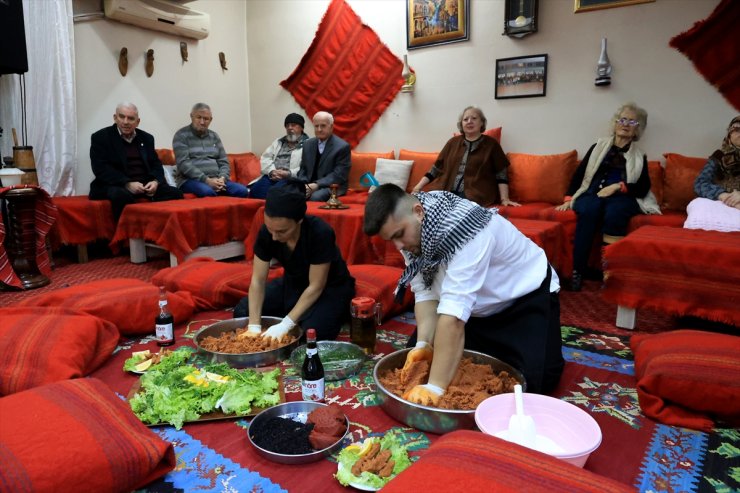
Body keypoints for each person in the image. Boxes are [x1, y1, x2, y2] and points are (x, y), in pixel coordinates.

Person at [363, 184, 563, 403]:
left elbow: (455, 316)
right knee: (419, 361)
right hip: (472, 307)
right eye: (391, 239)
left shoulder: (468, 232)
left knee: (535, 383)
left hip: (522, 299)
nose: (398, 245)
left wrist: (436, 388)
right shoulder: (414, 227)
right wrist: (424, 344)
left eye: (399, 235)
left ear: (419, 212)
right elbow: (425, 291)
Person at [555, 102, 660, 291]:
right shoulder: (598, 146)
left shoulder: (639, 156)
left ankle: (609, 274)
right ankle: (578, 271)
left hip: (621, 196)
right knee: (589, 209)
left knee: (615, 212)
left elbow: (643, 187)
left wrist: (617, 187)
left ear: (638, 129)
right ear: (615, 123)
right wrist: (569, 198)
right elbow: (580, 174)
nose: (626, 124)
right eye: (622, 119)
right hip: (592, 192)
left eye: (632, 122)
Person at [234, 180, 356, 341]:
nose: (275, 237)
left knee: (312, 333)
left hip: (329, 288)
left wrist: (286, 324)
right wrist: (254, 326)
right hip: (294, 283)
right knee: (243, 311)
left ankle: (317, 315)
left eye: (282, 231)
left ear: (299, 221)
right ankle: (294, 315)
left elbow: (316, 286)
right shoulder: (268, 233)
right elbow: (257, 280)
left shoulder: (320, 232)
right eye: (270, 229)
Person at [89, 102, 183, 221]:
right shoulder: (101, 137)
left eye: (131, 118)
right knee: (121, 195)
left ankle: (158, 230)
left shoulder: (147, 138)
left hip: (144, 184)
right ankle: (125, 236)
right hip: (116, 184)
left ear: (137, 122)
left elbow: (156, 164)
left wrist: (155, 181)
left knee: (176, 194)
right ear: (115, 118)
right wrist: (127, 183)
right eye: (122, 117)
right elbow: (100, 168)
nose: (126, 121)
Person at [410, 106, 520, 207]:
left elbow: (501, 174)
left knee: (451, 210)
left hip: (475, 194)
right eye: (465, 119)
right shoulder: (452, 142)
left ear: (482, 122)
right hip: (445, 189)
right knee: (421, 205)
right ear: (461, 124)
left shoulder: (491, 144)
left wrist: (505, 199)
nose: (469, 121)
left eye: (474, 118)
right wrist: (418, 187)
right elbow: (436, 168)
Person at [173, 103, 249, 198]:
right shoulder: (181, 135)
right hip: (190, 180)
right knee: (207, 192)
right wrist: (207, 180)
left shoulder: (214, 136)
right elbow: (183, 164)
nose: (202, 122)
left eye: (206, 119)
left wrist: (222, 179)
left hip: (217, 179)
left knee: (242, 191)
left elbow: (224, 162)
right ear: (191, 116)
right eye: (198, 117)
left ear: (211, 120)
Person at [685, 116, 740, 232]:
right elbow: (700, 183)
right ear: (729, 134)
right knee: (698, 204)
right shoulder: (718, 156)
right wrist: (723, 196)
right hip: (720, 202)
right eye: (737, 129)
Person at [250, 113, 310, 199]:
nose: (290, 128)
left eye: (293, 125)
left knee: (276, 193)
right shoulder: (278, 142)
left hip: (291, 179)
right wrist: (272, 171)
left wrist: (288, 173)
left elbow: (307, 168)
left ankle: (270, 212)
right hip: (272, 176)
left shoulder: (309, 144)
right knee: (256, 191)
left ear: (301, 128)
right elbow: (266, 158)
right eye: (287, 125)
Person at [297, 111, 351, 202]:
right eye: (316, 126)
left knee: (315, 197)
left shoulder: (342, 147)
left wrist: (317, 184)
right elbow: (303, 169)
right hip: (310, 184)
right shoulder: (308, 144)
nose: (319, 129)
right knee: (290, 193)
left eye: (323, 126)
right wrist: (303, 185)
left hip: (332, 186)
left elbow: (339, 175)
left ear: (331, 127)